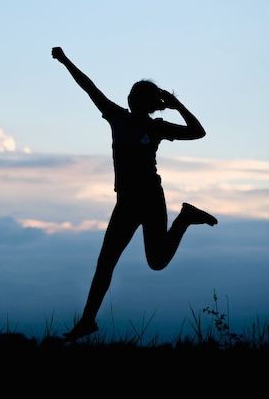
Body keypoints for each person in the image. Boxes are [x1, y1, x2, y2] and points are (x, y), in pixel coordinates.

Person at [51, 46, 218, 342]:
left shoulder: (157, 127)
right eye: (130, 93)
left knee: (156, 262)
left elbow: (198, 132)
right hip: (126, 202)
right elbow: (89, 86)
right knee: (105, 263)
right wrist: (65, 61)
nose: (129, 98)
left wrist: (177, 103)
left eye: (136, 95)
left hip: (151, 199)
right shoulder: (115, 116)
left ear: (148, 103)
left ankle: (185, 218)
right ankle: (87, 321)